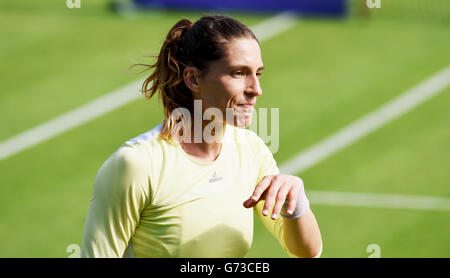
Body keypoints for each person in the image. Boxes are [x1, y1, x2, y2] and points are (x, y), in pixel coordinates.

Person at [81, 15, 322, 258]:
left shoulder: (251, 149)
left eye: (257, 74)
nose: (256, 89)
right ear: (193, 79)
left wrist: (296, 203)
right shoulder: (137, 165)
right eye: (239, 73)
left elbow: (305, 252)